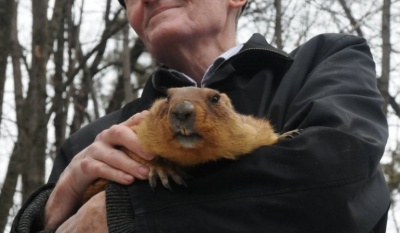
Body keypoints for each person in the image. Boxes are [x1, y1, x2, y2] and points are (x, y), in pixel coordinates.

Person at [11, 0, 390, 232]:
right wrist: (45, 214)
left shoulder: (323, 64)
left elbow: (339, 177)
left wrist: (127, 214)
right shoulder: (93, 140)